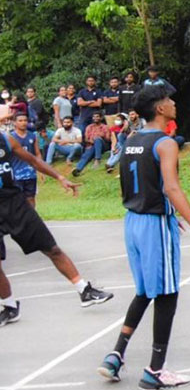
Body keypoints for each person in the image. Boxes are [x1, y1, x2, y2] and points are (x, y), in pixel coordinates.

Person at [96, 86, 190, 388]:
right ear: (160, 108)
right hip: (153, 223)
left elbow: (133, 185)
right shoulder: (165, 143)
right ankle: (155, 370)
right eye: (169, 100)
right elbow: (171, 188)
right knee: (167, 293)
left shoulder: (131, 140)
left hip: (133, 221)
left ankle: (115, 355)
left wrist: (167, 213)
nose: (173, 102)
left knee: (145, 290)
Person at [0, 123, 112, 329]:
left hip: (14, 202)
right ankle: (9, 306)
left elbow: (33, 160)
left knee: (51, 248)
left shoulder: (6, 139)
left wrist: (59, 177)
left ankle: (84, 290)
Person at [9, 113, 41, 207]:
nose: (23, 123)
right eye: (20, 120)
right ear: (14, 123)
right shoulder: (10, 137)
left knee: (31, 198)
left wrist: (40, 170)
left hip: (30, 173)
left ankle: (31, 216)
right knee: (17, 199)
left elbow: (37, 153)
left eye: (25, 120)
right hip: (15, 174)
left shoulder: (32, 136)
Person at [73, 112, 112, 177]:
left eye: (97, 116)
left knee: (97, 139)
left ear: (101, 118)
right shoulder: (89, 127)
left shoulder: (105, 127)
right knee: (87, 154)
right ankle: (78, 169)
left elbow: (108, 139)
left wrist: (100, 137)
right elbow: (86, 139)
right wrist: (92, 141)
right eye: (94, 117)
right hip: (91, 145)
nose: (95, 118)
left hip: (103, 145)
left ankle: (97, 159)